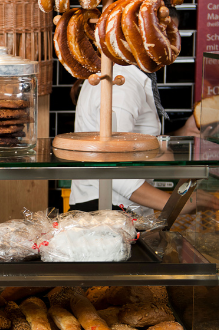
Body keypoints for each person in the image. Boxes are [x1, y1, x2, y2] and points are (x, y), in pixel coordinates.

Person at [69, 58, 216, 214]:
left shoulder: (121, 75)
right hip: (108, 210)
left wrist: (180, 134)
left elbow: (128, 142)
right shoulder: (121, 86)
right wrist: (177, 204)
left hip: (111, 208)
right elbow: (112, 168)